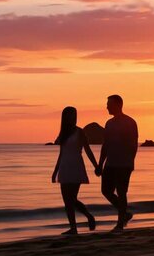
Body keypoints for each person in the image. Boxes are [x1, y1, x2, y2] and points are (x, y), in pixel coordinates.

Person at [95, 95, 138, 232]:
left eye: (109, 104)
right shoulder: (109, 123)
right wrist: (100, 164)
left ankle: (120, 222)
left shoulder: (130, 122)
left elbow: (133, 144)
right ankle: (124, 214)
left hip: (124, 163)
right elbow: (105, 145)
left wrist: (130, 161)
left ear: (118, 105)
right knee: (106, 190)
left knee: (121, 192)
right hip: (110, 163)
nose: (107, 106)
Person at [51, 106, 97, 235]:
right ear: (65, 117)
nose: (72, 117)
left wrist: (96, 166)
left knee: (72, 199)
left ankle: (88, 216)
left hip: (76, 167)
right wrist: (55, 171)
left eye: (74, 115)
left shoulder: (80, 132)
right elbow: (61, 153)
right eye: (70, 115)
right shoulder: (63, 133)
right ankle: (73, 228)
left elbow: (88, 150)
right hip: (65, 167)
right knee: (67, 200)